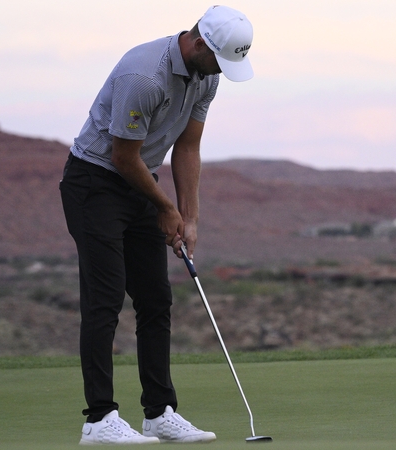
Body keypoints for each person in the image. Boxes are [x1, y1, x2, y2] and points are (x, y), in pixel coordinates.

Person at [59, 5, 254, 445]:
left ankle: (159, 412)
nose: (221, 71)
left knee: (154, 297)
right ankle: (99, 419)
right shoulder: (143, 76)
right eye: (220, 60)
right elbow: (122, 156)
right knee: (105, 297)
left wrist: (190, 217)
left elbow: (187, 148)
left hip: (141, 183)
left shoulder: (209, 75)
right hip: (94, 182)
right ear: (199, 42)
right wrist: (166, 209)